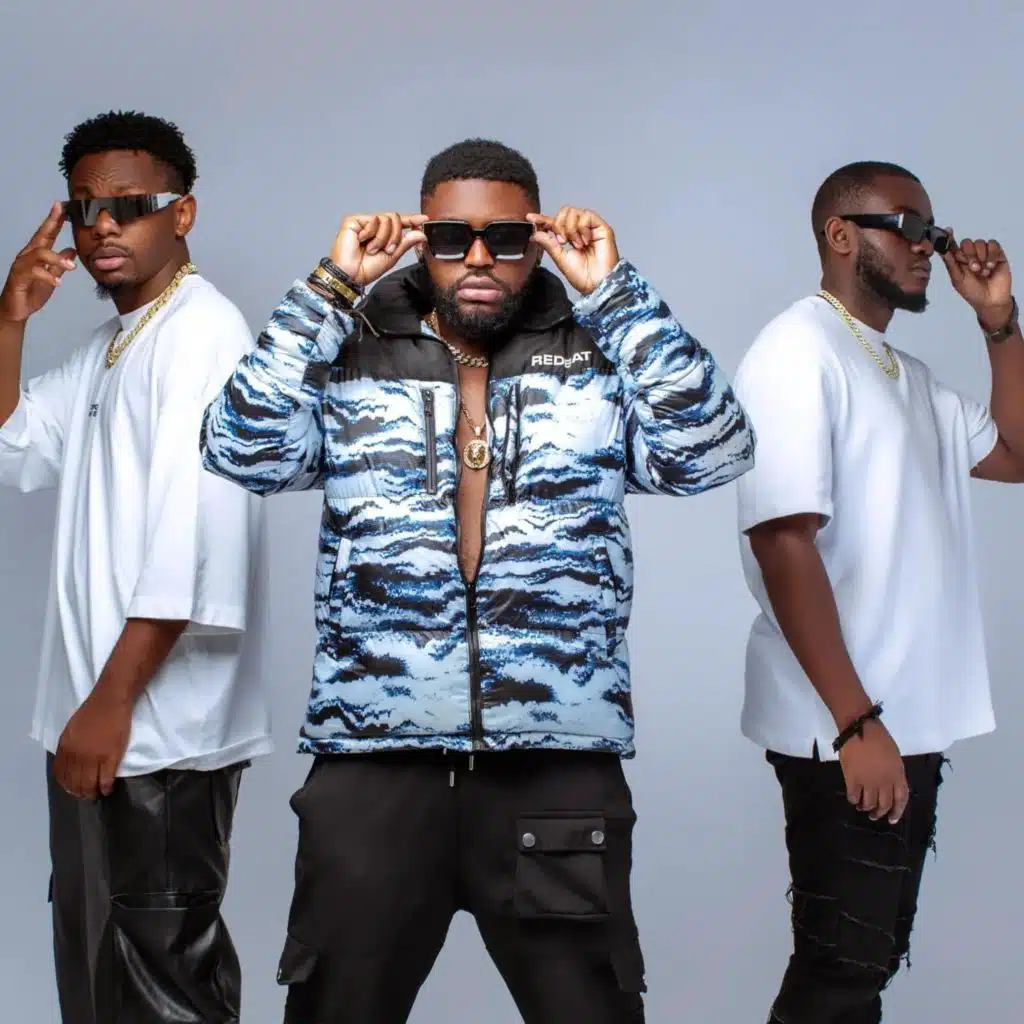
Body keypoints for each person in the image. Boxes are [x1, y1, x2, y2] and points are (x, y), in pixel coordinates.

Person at [201, 137, 755, 1022]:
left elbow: (713, 451)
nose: (480, 258)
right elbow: (241, 450)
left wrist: (614, 294)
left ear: (539, 240)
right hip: (374, 764)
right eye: (453, 237)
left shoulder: (600, 352)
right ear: (421, 239)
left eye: (506, 237)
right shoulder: (349, 349)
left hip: (556, 765)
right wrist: (328, 290)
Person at [732, 159, 1024, 1023]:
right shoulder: (797, 352)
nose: (929, 247)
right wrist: (856, 723)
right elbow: (782, 539)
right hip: (846, 725)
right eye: (909, 226)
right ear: (840, 234)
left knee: (866, 964)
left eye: (934, 231)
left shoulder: (906, 374)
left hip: (903, 723)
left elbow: (1016, 456)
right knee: (841, 969)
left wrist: (1000, 323)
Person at [0, 110, 271, 1024]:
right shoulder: (110, 345)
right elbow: (11, 446)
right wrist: (9, 319)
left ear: (182, 213)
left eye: (131, 205)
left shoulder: (205, 336)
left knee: (163, 991)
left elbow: (190, 542)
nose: (104, 225)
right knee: (98, 983)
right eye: (85, 208)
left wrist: (111, 703)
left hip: (156, 735)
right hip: (96, 726)